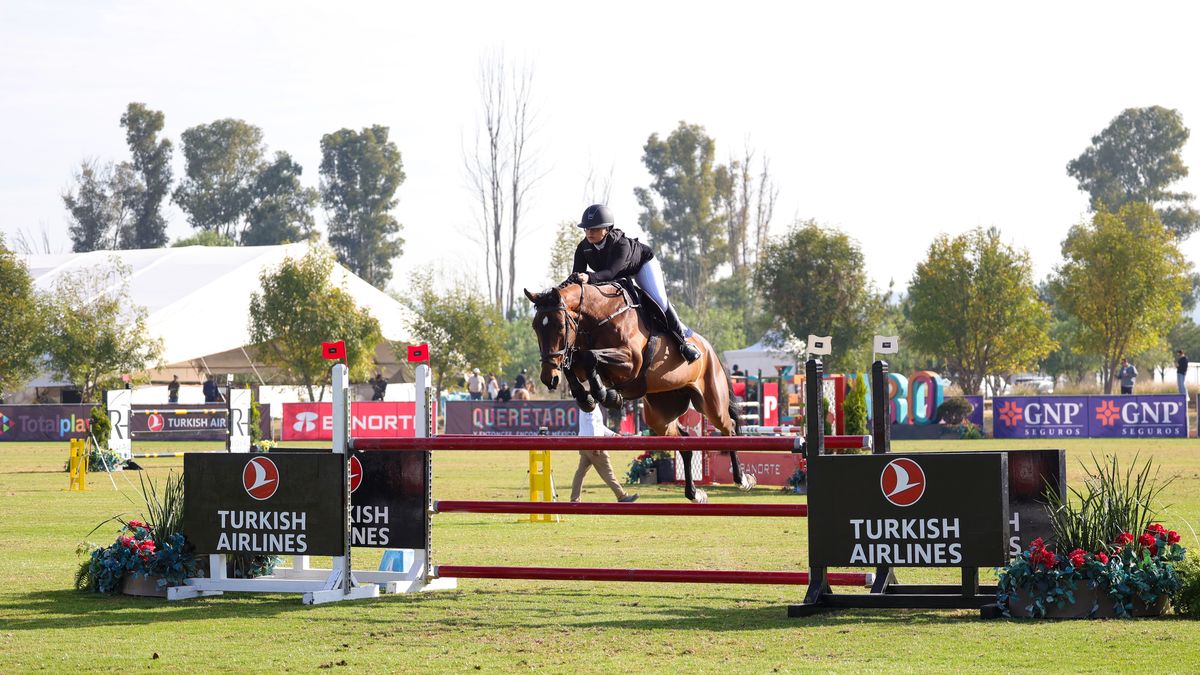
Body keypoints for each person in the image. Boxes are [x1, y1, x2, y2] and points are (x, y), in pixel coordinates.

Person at [568, 204, 701, 363]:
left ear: (607, 229)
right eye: (587, 229)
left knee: (659, 300)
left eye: (595, 229)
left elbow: (610, 273)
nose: (589, 233)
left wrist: (588, 277)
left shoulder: (620, 244)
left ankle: (683, 343)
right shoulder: (583, 248)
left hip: (642, 266)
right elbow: (576, 277)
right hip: (617, 275)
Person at [571, 406, 638, 503]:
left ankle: (574, 499)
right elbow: (592, 424)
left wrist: (612, 434)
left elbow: (597, 425)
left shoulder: (585, 404)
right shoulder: (592, 404)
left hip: (584, 443)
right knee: (607, 472)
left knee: (580, 473)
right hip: (594, 443)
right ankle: (622, 496)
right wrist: (596, 444)